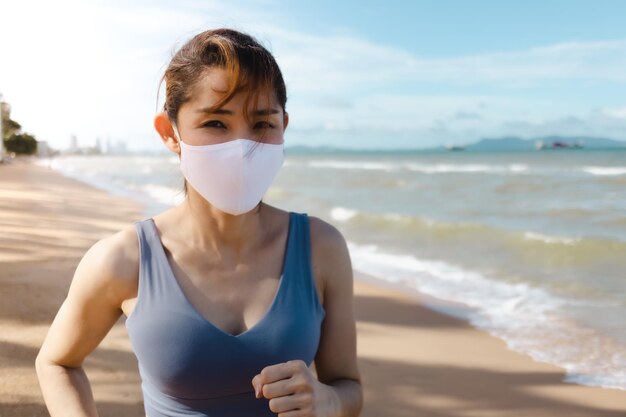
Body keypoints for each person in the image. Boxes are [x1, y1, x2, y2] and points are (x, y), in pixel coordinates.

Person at [35, 28, 363, 416]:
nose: (242, 147)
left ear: (283, 126)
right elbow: (57, 363)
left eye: (262, 124)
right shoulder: (125, 260)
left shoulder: (321, 248)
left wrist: (327, 400)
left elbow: (348, 388)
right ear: (170, 133)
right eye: (215, 124)